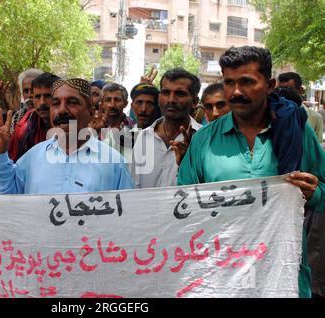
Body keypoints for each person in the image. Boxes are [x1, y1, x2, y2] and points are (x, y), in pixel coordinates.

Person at [177, 46, 325, 298]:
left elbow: (322, 189)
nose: (236, 91)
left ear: (269, 85)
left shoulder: (297, 133)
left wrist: (313, 193)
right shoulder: (204, 141)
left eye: (246, 82)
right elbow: (183, 204)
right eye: (229, 82)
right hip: (220, 275)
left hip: (283, 271)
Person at [0, 78, 133, 194]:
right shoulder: (33, 157)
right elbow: (8, 190)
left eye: (72, 102)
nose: (62, 110)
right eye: (56, 103)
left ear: (90, 111)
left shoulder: (114, 162)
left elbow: (126, 212)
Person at [132, 68, 202, 188]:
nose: (171, 100)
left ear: (195, 101)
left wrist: (188, 163)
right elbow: (133, 187)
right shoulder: (143, 138)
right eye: (165, 93)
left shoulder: (203, 139)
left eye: (179, 94)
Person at [8, 72, 60, 162]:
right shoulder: (24, 124)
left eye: (48, 96)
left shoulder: (72, 125)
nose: (42, 102)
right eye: (37, 97)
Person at [277, 72, 324, 142]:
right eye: (280, 90)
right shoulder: (272, 115)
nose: (284, 94)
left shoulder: (316, 118)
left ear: (300, 91)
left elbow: (317, 147)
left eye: (289, 89)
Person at [97, 83, 136, 162]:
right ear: (102, 104)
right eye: (107, 100)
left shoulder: (134, 128)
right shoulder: (94, 127)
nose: (112, 105)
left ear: (125, 104)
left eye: (117, 100)